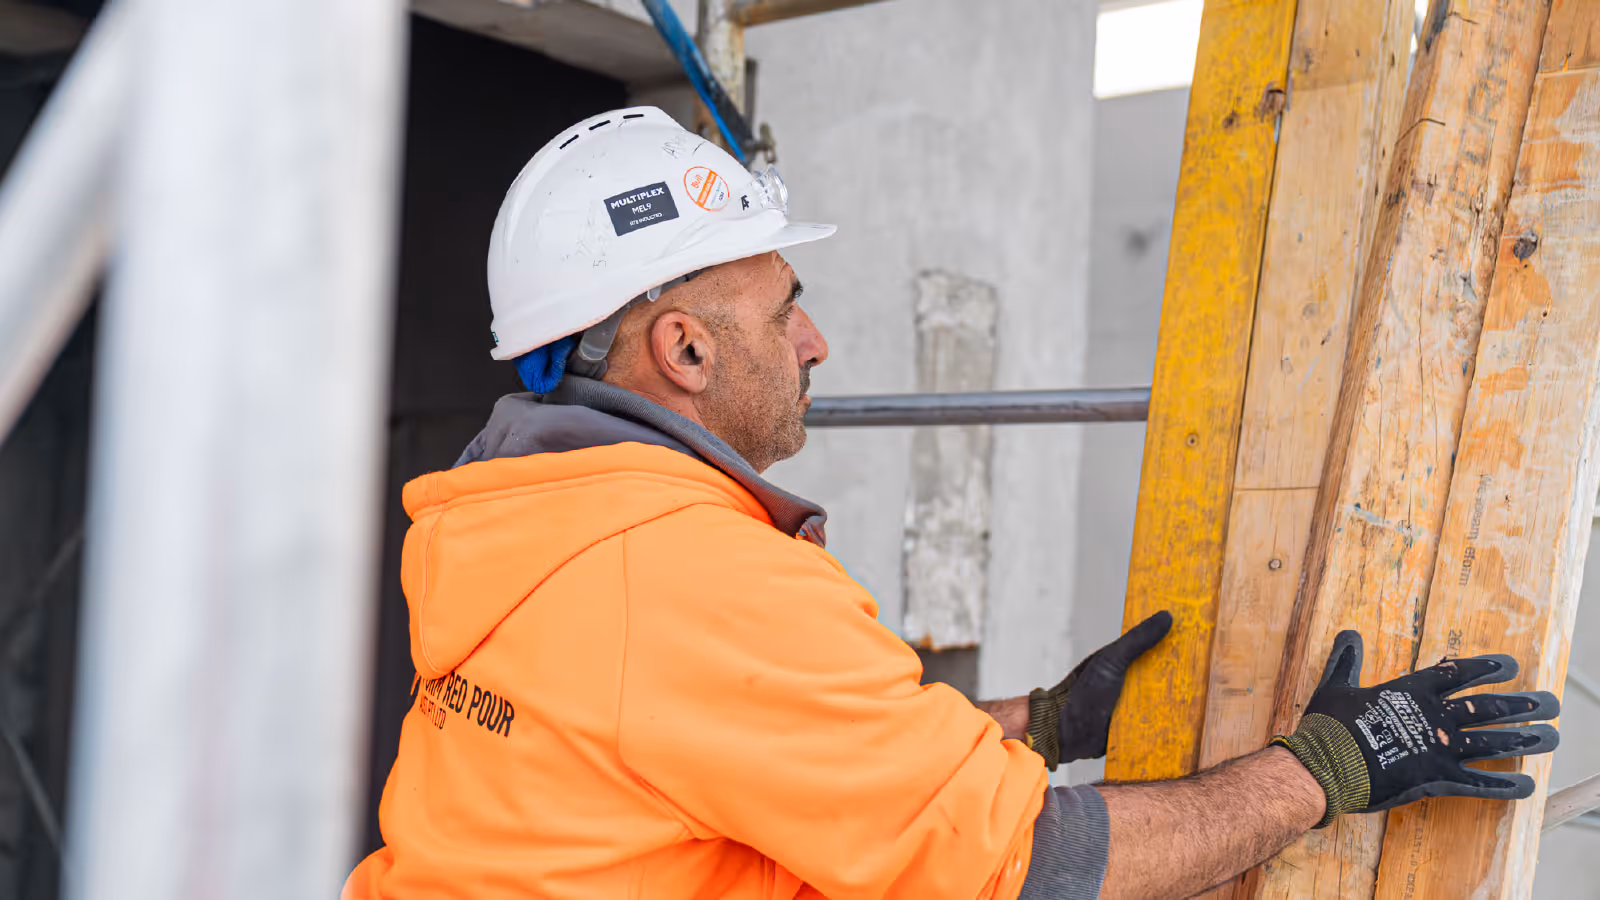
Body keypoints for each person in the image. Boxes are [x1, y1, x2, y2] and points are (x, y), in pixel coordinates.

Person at [343, 107, 1561, 900]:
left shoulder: (517, 522)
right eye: (782, 309)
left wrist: (1036, 720)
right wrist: (1327, 766)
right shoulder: (686, 576)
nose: (814, 339)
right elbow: (1025, 861)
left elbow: (727, 742)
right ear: (685, 352)